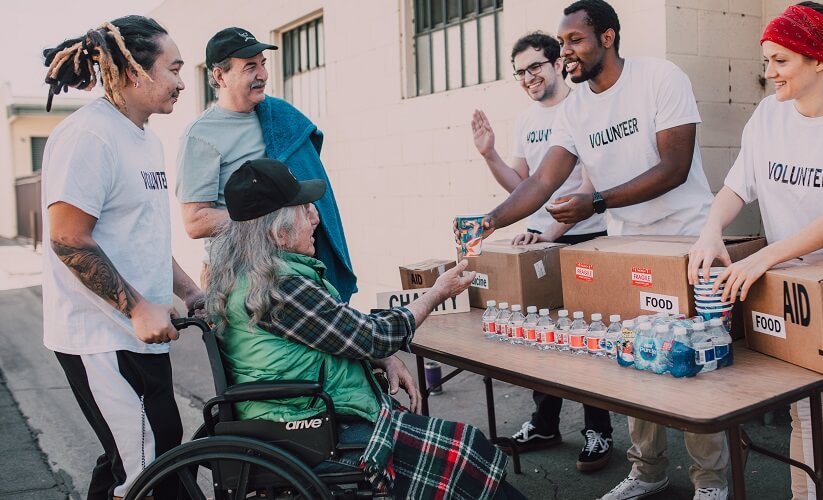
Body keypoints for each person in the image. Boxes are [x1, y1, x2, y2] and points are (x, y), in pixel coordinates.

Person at [459, 0, 731, 498]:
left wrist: (598, 201)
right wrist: (490, 221)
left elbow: (674, 166)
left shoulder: (660, 78)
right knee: (635, 358)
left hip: (686, 237)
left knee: (691, 364)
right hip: (627, 245)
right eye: (562, 44)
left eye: (574, 41)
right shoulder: (576, 108)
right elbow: (542, 180)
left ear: (607, 38)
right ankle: (647, 470)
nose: (566, 53)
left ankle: (710, 482)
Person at [206, 158, 526, 499]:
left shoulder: (248, 276)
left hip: (302, 412)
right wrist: (434, 295)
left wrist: (380, 358)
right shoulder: (278, 288)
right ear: (278, 232)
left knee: (463, 452)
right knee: (463, 451)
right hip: (311, 424)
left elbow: (339, 335)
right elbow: (372, 337)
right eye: (304, 210)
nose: (315, 217)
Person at [688, 3, 823, 499]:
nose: (769, 73)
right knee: (804, 411)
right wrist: (710, 230)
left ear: (820, 59)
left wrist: (765, 257)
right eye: (767, 60)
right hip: (801, 281)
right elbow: (737, 187)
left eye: (781, 60)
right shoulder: (769, 116)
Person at [40, 16, 203, 500]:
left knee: (145, 455)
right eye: (173, 69)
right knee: (146, 467)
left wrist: (190, 291)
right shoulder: (89, 136)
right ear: (136, 72)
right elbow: (68, 238)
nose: (180, 81)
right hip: (100, 337)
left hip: (142, 334)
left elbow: (142, 236)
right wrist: (135, 307)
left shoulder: (146, 140)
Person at [472, 31, 610, 471]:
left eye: (535, 66)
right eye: (520, 72)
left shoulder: (584, 108)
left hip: (584, 238)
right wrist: (490, 154)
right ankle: (545, 423)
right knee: (539, 337)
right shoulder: (527, 121)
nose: (528, 77)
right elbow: (524, 187)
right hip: (539, 242)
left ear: (556, 64)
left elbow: (591, 184)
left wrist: (549, 230)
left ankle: (598, 430)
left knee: (588, 339)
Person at [176, 27, 356, 302]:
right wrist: (270, 217)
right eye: (250, 67)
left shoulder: (280, 116)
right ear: (219, 75)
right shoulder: (201, 135)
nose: (262, 75)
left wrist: (302, 211)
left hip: (294, 268)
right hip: (236, 274)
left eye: (263, 64)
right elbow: (195, 222)